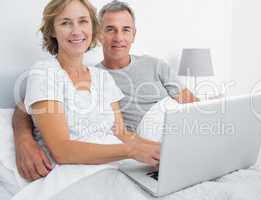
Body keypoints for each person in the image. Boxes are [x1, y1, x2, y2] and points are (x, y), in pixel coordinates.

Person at [13, 0, 197, 182]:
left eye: (83, 21)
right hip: (77, 172)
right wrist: (23, 139)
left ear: (92, 28)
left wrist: (165, 151)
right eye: (65, 23)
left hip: (117, 164)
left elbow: (122, 133)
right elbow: (60, 149)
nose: (76, 31)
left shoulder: (102, 78)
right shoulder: (46, 73)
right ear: (53, 30)